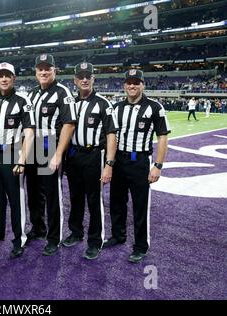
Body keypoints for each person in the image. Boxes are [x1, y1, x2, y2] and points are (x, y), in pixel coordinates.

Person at [50, 62, 118, 260]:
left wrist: (109, 164)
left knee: (94, 199)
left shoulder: (104, 104)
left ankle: (95, 241)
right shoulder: (70, 102)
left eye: (88, 76)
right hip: (73, 155)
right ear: (75, 80)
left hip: (93, 155)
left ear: (94, 79)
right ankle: (76, 232)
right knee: (75, 197)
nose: (85, 79)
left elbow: (112, 135)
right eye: (81, 77)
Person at [103, 69, 170, 263]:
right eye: (129, 82)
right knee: (116, 202)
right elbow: (111, 137)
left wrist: (158, 165)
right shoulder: (115, 108)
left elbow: (163, 136)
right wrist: (109, 163)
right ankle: (118, 235)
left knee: (140, 206)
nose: (132, 86)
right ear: (124, 85)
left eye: (136, 82)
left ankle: (141, 245)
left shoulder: (154, 107)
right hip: (118, 162)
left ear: (143, 85)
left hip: (139, 161)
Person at [0, 62, 35, 258]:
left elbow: (29, 132)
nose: (3, 79)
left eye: (7, 75)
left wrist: (22, 159)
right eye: (0, 75)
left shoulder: (22, 101)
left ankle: (19, 239)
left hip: (13, 154)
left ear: (14, 78)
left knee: (16, 199)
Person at [25, 53, 77, 256]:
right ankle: (38, 228)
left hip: (50, 149)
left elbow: (69, 124)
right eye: (40, 69)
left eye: (48, 68)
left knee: (52, 195)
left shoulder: (63, 92)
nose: (44, 72)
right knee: (33, 193)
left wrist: (58, 154)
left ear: (54, 70)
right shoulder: (31, 93)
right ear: (36, 71)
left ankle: (54, 237)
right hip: (32, 149)